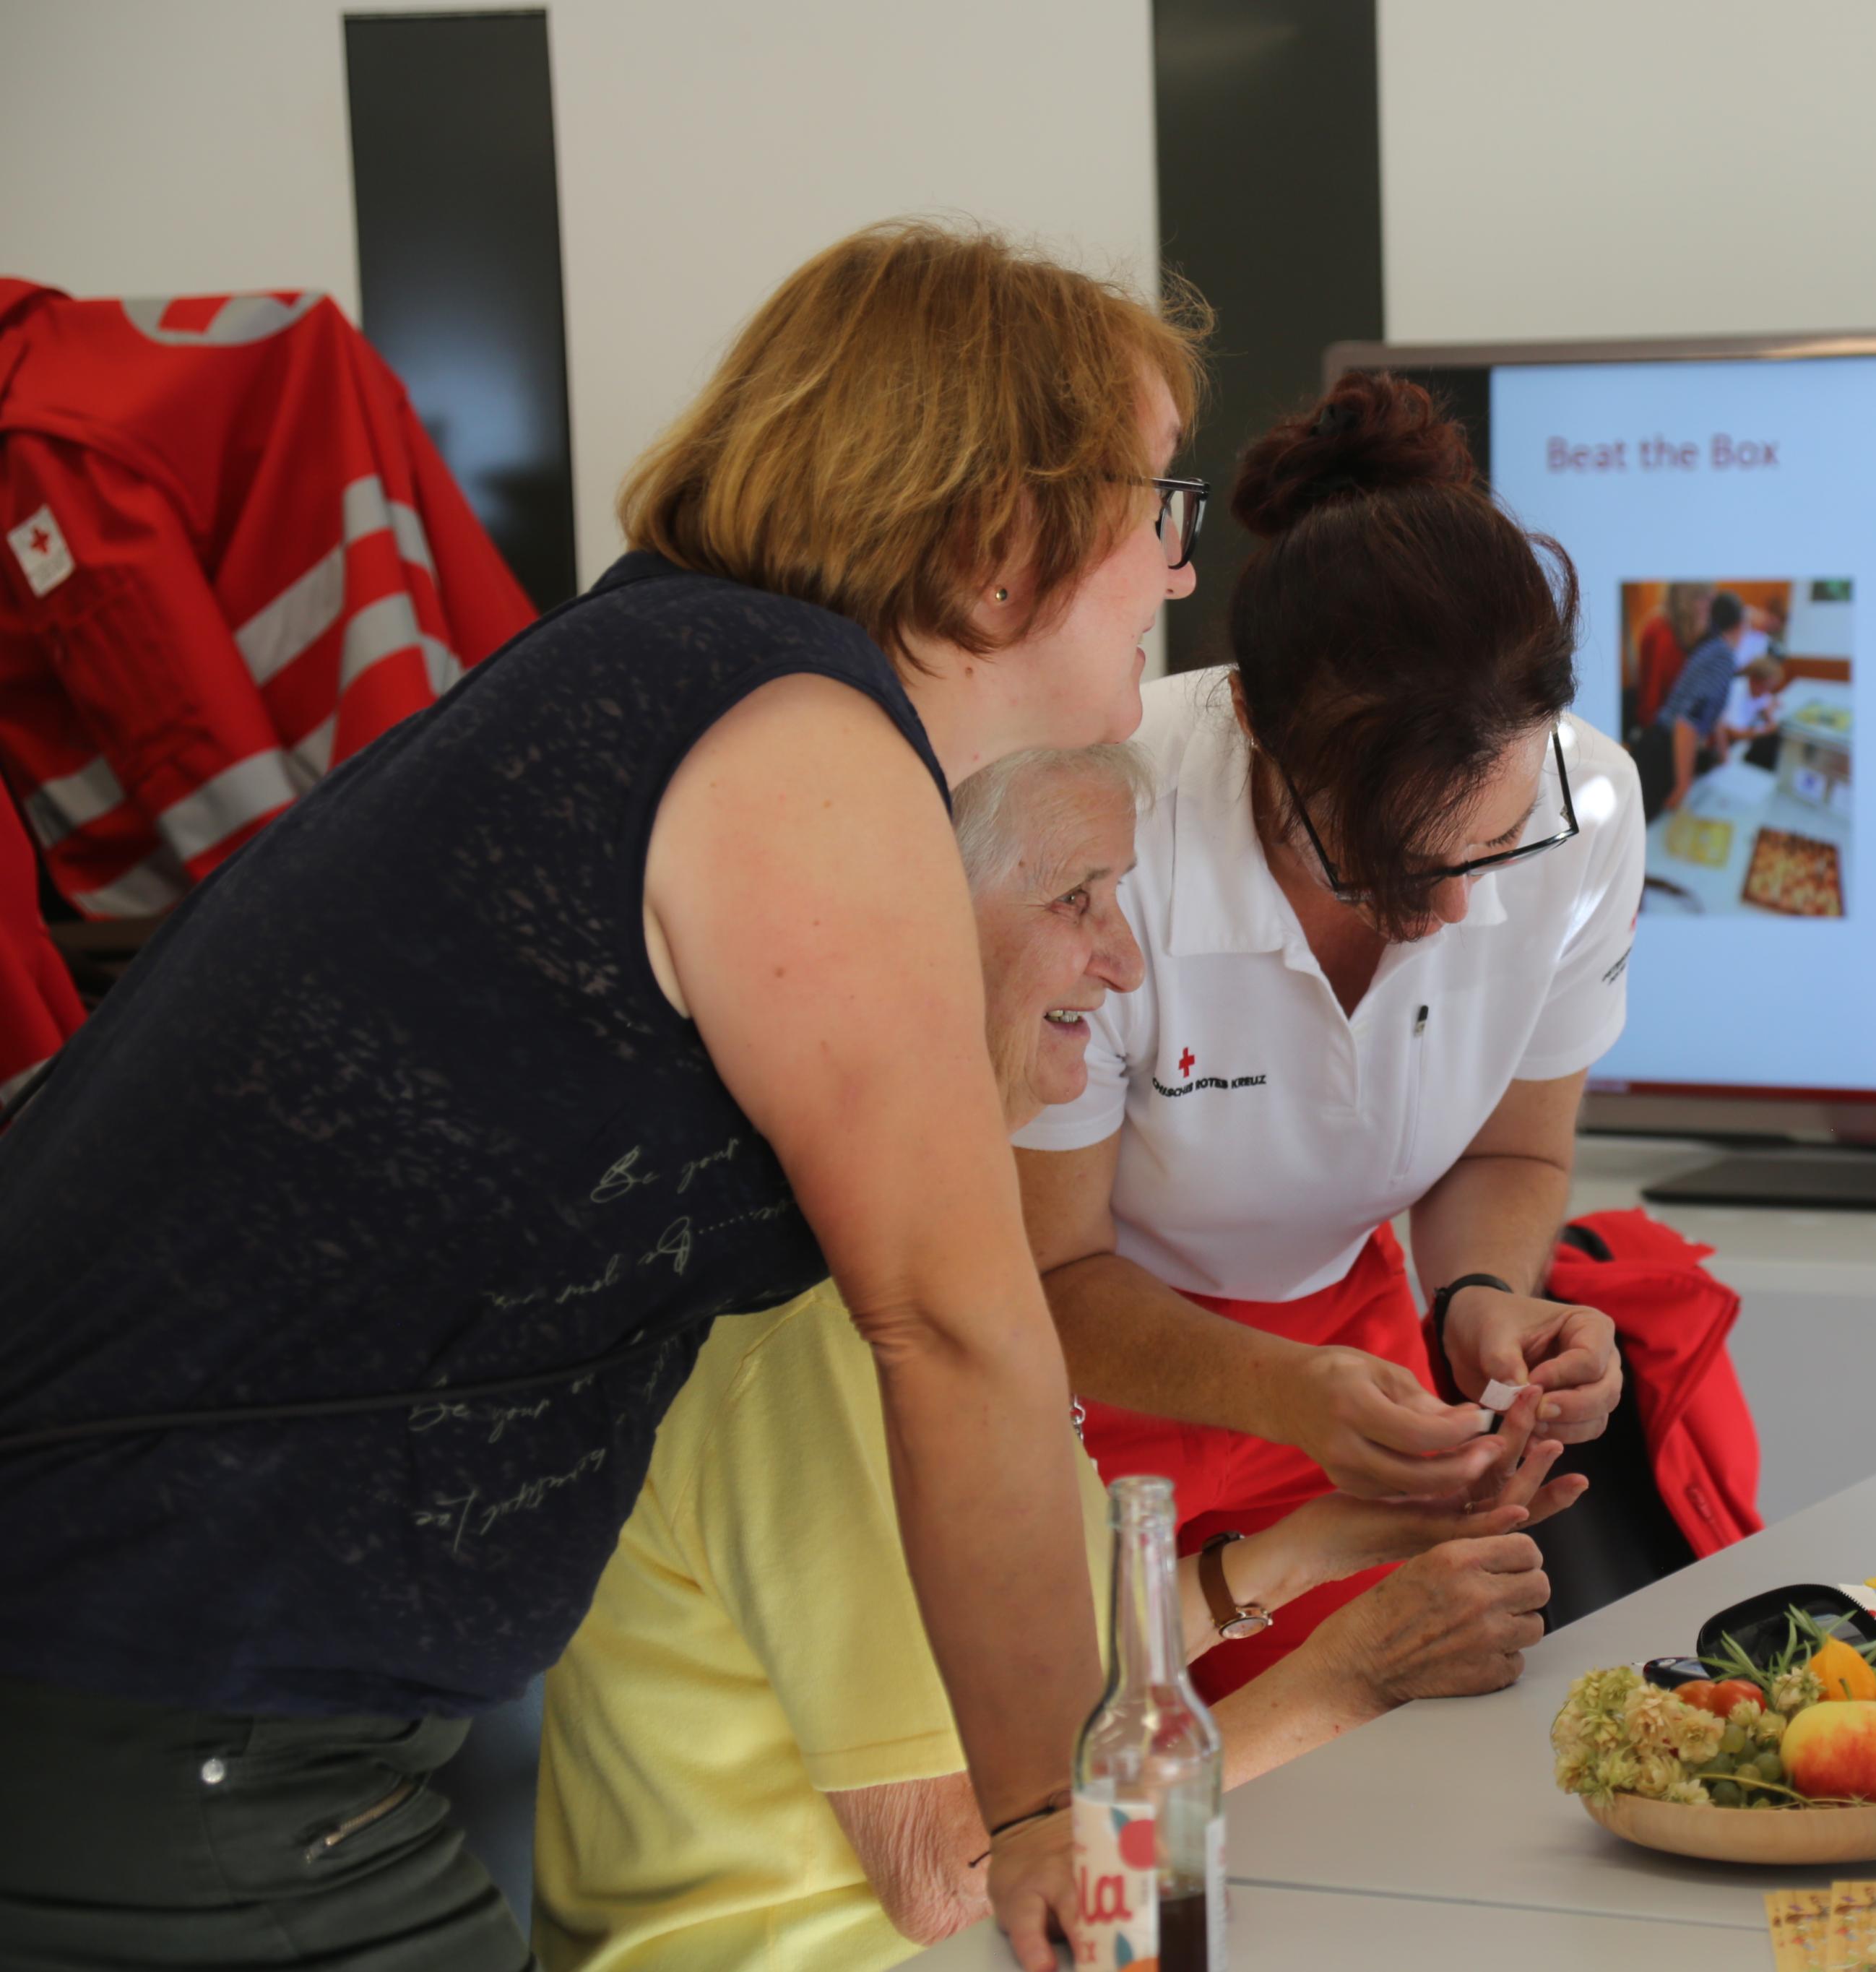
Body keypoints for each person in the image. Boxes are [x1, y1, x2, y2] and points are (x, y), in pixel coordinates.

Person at [0, 220, 1200, 1971]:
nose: (1178, 568)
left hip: (173, 1689)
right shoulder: (799, 744)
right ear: (999, 538)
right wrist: (1044, 1814)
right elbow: (954, 1324)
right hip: (175, 1709)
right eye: (1157, 507)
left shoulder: (666, 670)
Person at [535, 743, 1573, 1971]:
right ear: (904, 933)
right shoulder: (828, 1321)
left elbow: (1037, 1692)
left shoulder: (921, 1245)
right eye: (1075, 900)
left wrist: (1322, 1544)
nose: (1125, 961)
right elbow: (956, 1874)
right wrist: (1346, 1679)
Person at [1016, 371, 1648, 1700]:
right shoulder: (1106, 843)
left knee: (1389, 1746)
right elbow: (1051, 1269)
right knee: (1124, 1754)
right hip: (1093, 1370)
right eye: (1388, 864)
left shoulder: (1588, 805)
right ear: (1254, 721)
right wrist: (1291, 1391)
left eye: (1495, 845)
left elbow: (1511, 1153)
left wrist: (1482, 1301)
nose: (1454, 912)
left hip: (1351, 1362)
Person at [1641, 591, 1748, 817]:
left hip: (1668, 743)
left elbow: (1713, 713)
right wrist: (1683, 786)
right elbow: (1688, 721)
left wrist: (1724, 755)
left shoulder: (1714, 647)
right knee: (1656, 822)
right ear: (1740, 625)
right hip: (1665, 750)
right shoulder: (1723, 657)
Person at [1628, 577, 1713, 740]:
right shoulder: (1662, 633)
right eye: (1704, 599)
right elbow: (1653, 699)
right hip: (1660, 728)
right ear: (1687, 600)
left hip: (1672, 723)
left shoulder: (1679, 628)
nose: (1709, 607)